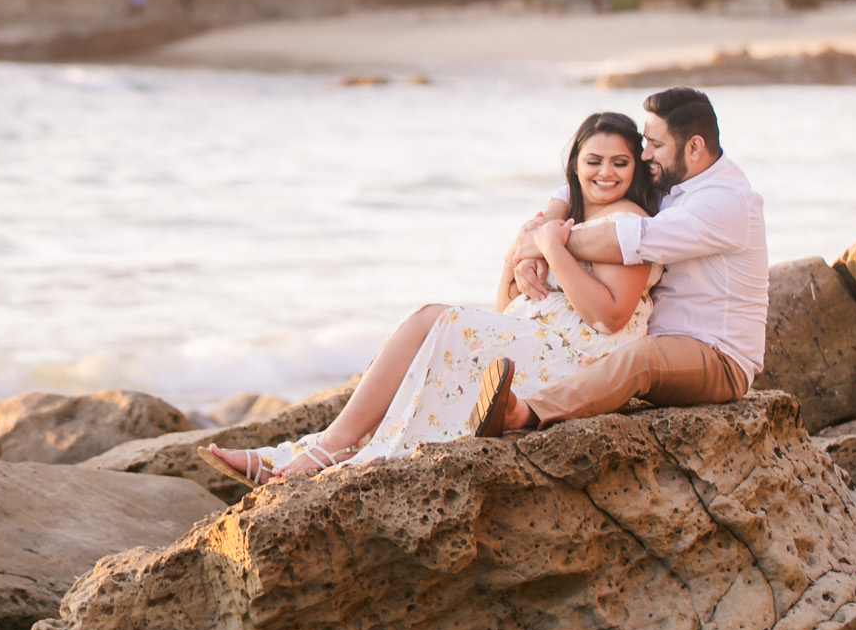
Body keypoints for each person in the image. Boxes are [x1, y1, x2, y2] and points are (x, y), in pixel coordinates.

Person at [201, 113, 664, 485]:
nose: (605, 172)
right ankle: (308, 450)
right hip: (541, 342)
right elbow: (505, 307)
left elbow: (610, 316)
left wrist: (551, 250)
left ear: (634, 168)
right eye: (594, 161)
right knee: (431, 333)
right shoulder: (567, 219)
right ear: (575, 165)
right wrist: (520, 253)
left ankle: (330, 450)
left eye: (619, 163)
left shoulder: (628, 222)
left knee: (435, 320)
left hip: (581, 361)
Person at [481, 86, 767, 434]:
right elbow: (577, 188)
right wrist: (539, 233)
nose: (646, 155)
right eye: (645, 144)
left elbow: (630, 240)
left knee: (641, 360)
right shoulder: (672, 178)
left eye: (655, 145)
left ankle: (525, 413)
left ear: (694, 147)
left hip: (718, 356)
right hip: (658, 342)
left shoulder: (725, 202)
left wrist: (547, 244)